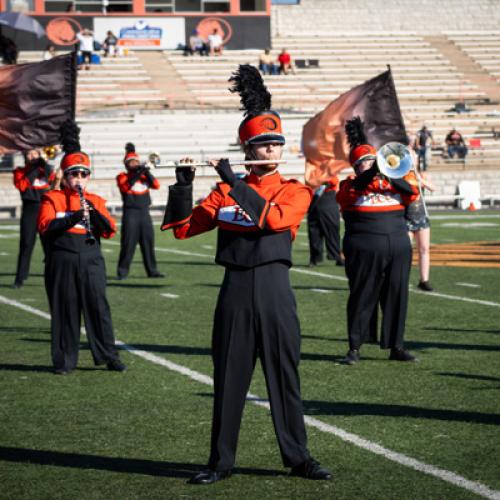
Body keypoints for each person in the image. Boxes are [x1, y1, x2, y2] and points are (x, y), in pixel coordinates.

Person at [161, 65, 331, 485]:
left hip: (276, 289)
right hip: (234, 288)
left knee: (283, 377)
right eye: (262, 144)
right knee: (229, 378)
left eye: (275, 144)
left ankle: (298, 457)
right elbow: (183, 228)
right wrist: (182, 186)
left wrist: (234, 181)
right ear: (248, 147)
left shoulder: (295, 190)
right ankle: (220, 461)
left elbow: (271, 220)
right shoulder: (223, 191)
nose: (270, 150)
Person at [37, 121, 127, 375]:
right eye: (73, 174)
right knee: (66, 309)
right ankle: (65, 361)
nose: (79, 179)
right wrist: (74, 216)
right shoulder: (52, 198)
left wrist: (92, 212)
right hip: (62, 260)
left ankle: (110, 356)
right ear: (64, 176)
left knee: (99, 308)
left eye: (83, 174)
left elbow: (109, 230)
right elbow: (45, 225)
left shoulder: (96, 200)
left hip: (91, 260)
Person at [337, 117, 419, 365]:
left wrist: (388, 173)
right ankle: (355, 347)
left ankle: (397, 345)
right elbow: (349, 194)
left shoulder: (393, 182)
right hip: (364, 245)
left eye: (372, 160)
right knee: (362, 295)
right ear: (355, 167)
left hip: (398, 244)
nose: (370, 165)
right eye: (364, 162)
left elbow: (412, 192)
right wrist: (373, 172)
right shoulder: (350, 184)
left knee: (397, 294)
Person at [116, 144, 164, 280]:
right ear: (126, 164)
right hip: (130, 213)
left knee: (148, 243)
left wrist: (147, 171)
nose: (135, 163)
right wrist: (140, 171)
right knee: (128, 244)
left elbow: (156, 185)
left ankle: (152, 271)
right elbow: (126, 186)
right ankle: (122, 272)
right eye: (132, 162)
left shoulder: (144, 176)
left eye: (136, 161)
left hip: (144, 213)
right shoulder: (122, 176)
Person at [12, 149, 55, 288]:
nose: (32, 156)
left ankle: (54, 275)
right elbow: (23, 186)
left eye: (35, 153)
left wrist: (45, 163)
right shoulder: (19, 171)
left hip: (45, 209)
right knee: (26, 244)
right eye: (29, 154)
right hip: (30, 210)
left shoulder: (46, 169)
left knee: (49, 244)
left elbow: (53, 179)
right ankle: (20, 278)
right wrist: (36, 168)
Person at [405, 163, 435, 292]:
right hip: (406, 217)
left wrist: (420, 179)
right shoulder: (400, 175)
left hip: (421, 216)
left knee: (424, 249)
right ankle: (402, 279)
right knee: (405, 251)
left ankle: (424, 280)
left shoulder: (422, 175)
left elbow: (433, 188)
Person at [307, 176, 344, 267]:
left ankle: (337, 257)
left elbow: (334, 181)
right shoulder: (312, 171)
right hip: (315, 205)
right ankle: (314, 259)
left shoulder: (330, 173)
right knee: (314, 235)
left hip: (328, 203)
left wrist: (324, 183)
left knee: (332, 234)